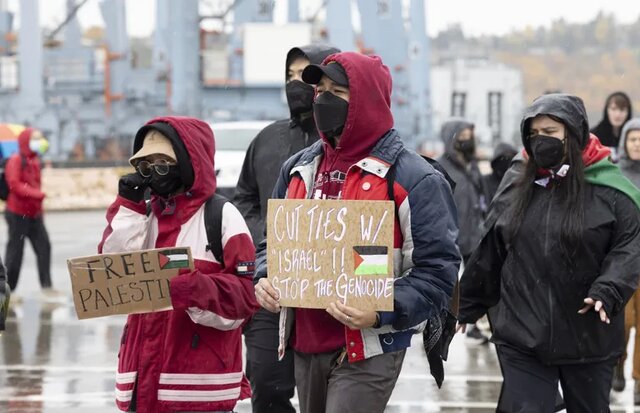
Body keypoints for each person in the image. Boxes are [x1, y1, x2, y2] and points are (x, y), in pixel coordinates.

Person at [253, 52, 460, 413]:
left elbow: (438, 273)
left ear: (365, 100)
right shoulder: (298, 169)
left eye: (338, 91)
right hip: (305, 343)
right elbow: (271, 243)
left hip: (368, 348)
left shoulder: (415, 178)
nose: (323, 99)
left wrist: (381, 310)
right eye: (320, 90)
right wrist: (265, 276)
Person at [458, 93, 640, 412]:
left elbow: (631, 243)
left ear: (574, 132)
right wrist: (465, 304)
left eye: (550, 132)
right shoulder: (519, 184)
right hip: (523, 335)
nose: (541, 141)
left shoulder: (611, 189)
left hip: (588, 337)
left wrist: (610, 287)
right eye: (534, 134)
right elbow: (492, 248)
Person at [99, 117, 259, 413]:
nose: (155, 173)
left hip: (198, 387)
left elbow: (244, 302)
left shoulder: (222, 216)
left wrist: (195, 289)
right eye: (146, 166)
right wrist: (128, 206)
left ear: (187, 163)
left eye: (163, 163)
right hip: (139, 382)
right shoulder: (141, 216)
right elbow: (110, 274)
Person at [234, 44, 339, 413]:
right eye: (289, 76)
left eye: (305, 74)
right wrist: (272, 230)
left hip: (331, 284)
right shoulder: (265, 139)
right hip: (271, 283)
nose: (296, 84)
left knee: (326, 392)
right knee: (265, 382)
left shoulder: (348, 141)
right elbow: (243, 196)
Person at [436, 120, 490, 344]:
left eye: (471, 135)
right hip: (447, 235)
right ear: (452, 139)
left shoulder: (472, 166)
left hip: (473, 234)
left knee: (475, 282)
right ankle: (436, 327)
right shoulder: (439, 167)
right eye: (464, 136)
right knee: (442, 282)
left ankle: (473, 323)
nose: (468, 141)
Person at [4, 128, 57, 297]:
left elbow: (35, 185)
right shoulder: (16, 159)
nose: (40, 141)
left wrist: (40, 210)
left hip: (34, 214)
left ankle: (47, 286)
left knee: (44, 247)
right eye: (36, 138)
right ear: (26, 141)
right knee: (15, 252)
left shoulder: (34, 161)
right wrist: (37, 195)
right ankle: (7, 290)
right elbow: (14, 184)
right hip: (17, 213)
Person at [612, 117, 640, 401]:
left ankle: (639, 380)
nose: (637, 144)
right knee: (624, 321)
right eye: (633, 139)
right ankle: (617, 364)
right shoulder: (615, 174)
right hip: (622, 260)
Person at [591, 91, 632, 158]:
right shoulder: (594, 135)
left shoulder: (634, 136)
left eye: (622, 110)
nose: (617, 114)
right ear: (607, 111)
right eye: (613, 109)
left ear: (628, 112)